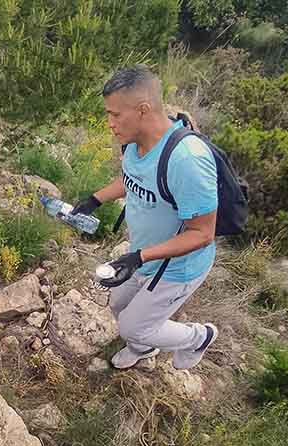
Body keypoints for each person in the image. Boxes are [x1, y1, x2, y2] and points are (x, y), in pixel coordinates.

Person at [72, 66, 219, 371]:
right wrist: (95, 199)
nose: (109, 124)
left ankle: (198, 337)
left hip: (178, 266)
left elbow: (202, 233)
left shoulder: (187, 160)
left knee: (132, 326)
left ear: (142, 109)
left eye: (115, 115)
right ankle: (143, 349)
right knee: (116, 306)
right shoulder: (134, 142)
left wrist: (139, 257)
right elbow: (132, 178)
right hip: (144, 253)